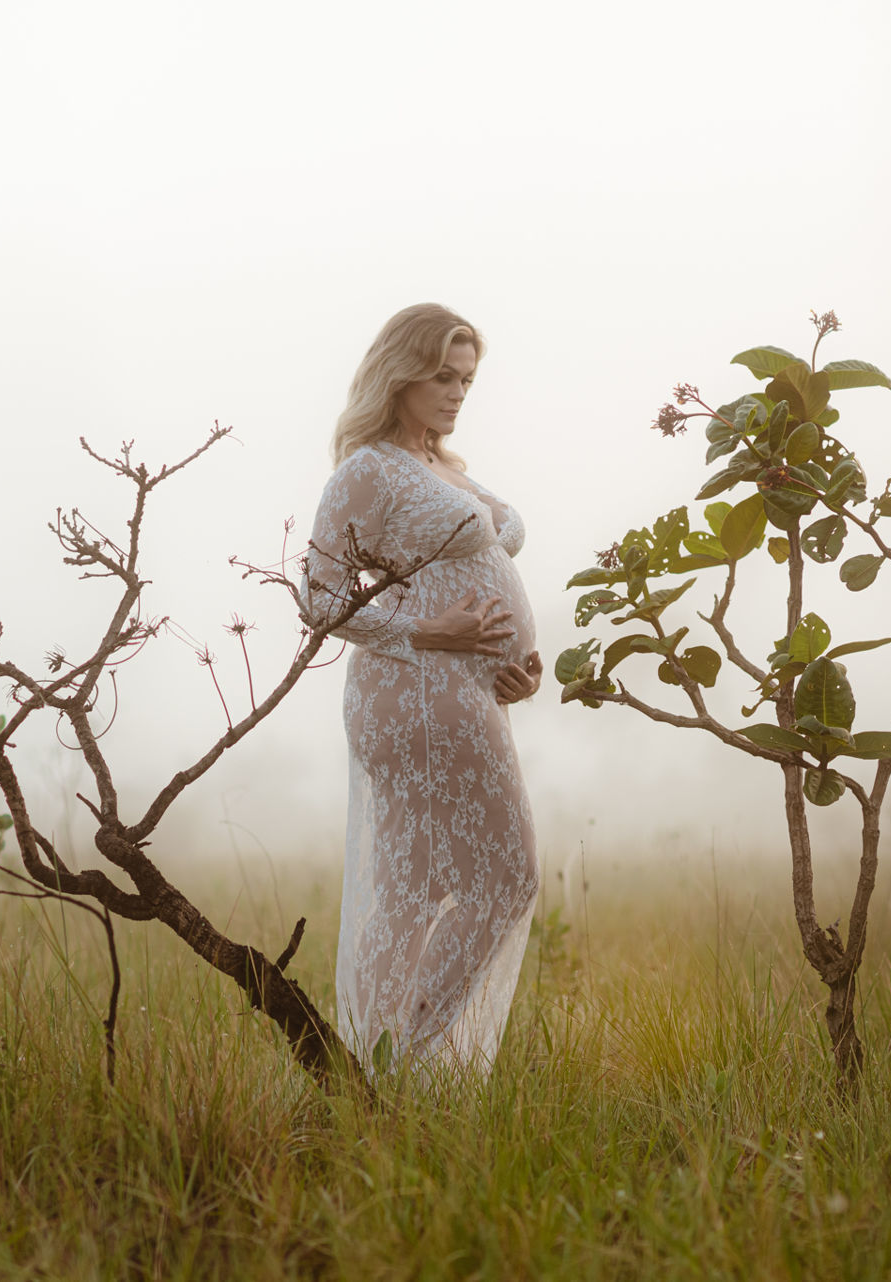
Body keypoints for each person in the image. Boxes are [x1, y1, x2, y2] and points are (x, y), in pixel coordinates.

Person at [304, 303, 543, 1076]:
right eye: (442, 375)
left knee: (408, 895)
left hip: (458, 689)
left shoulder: (442, 467)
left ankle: (371, 1071)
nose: (456, 392)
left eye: (466, 379)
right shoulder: (368, 470)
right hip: (413, 690)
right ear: (398, 373)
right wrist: (425, 632)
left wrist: (517, 665)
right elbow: (317, 598)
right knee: (508, 878)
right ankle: (400, 1053)